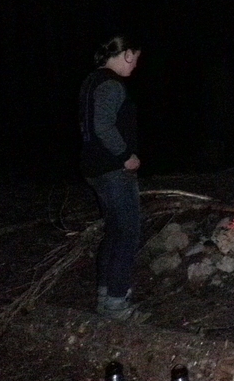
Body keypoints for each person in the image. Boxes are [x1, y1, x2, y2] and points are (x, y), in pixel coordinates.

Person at [79, 35, 143, 320]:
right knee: (128, 233)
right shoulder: (111, 84)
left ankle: (106, 296)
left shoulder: (91, 81)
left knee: (115, 232)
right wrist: (125, 155)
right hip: (113, 170)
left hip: (95, 168)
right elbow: (102, 125)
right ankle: (117, 303)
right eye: (136, 58)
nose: (135, 65)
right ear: (127, 54)